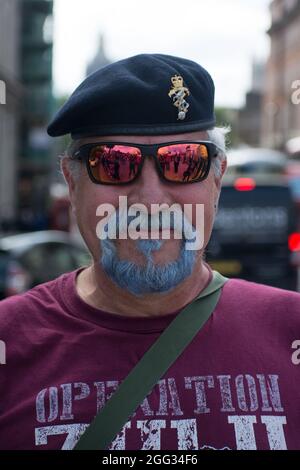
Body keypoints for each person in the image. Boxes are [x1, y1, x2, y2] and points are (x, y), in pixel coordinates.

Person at [0, 53, 299, 451]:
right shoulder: (10, 343)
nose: (150, 199)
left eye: (183, 162)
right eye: (113, 165)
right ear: (72, 185)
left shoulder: (291, 330)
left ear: (216, 179)